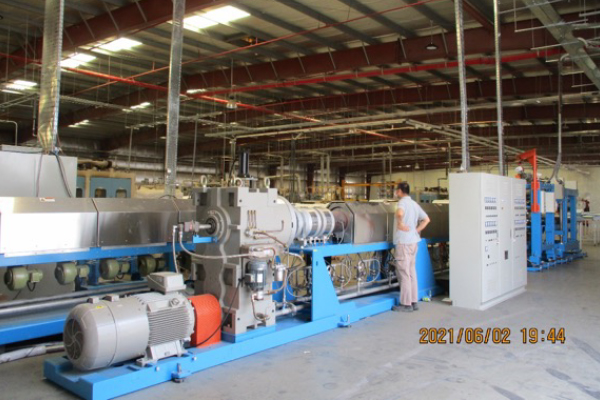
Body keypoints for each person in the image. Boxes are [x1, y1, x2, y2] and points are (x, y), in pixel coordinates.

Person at [393, 182, 431, 312]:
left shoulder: (402, 203)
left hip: (403, 242)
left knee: (404, 273)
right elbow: (426, 219)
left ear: (400, 191)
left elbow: (399, 214)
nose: (396, 192)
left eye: (397, 190)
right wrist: (416, 230)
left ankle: (406, 304)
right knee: (411, 272)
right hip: (414, 242)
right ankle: (414, 301)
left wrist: (400, 223)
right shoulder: (415, 204)